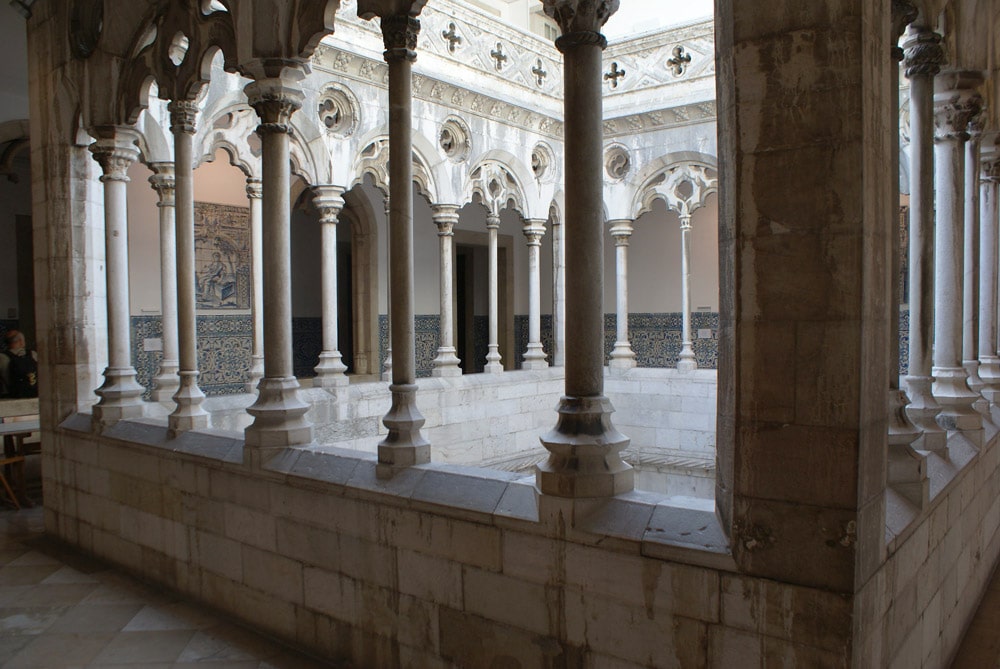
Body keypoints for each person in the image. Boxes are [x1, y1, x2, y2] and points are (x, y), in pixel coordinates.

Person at [0, 330, 38, 398]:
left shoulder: (2, 357)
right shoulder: (32, 354)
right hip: (33, 394)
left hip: (9, 396)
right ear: (21, 341)